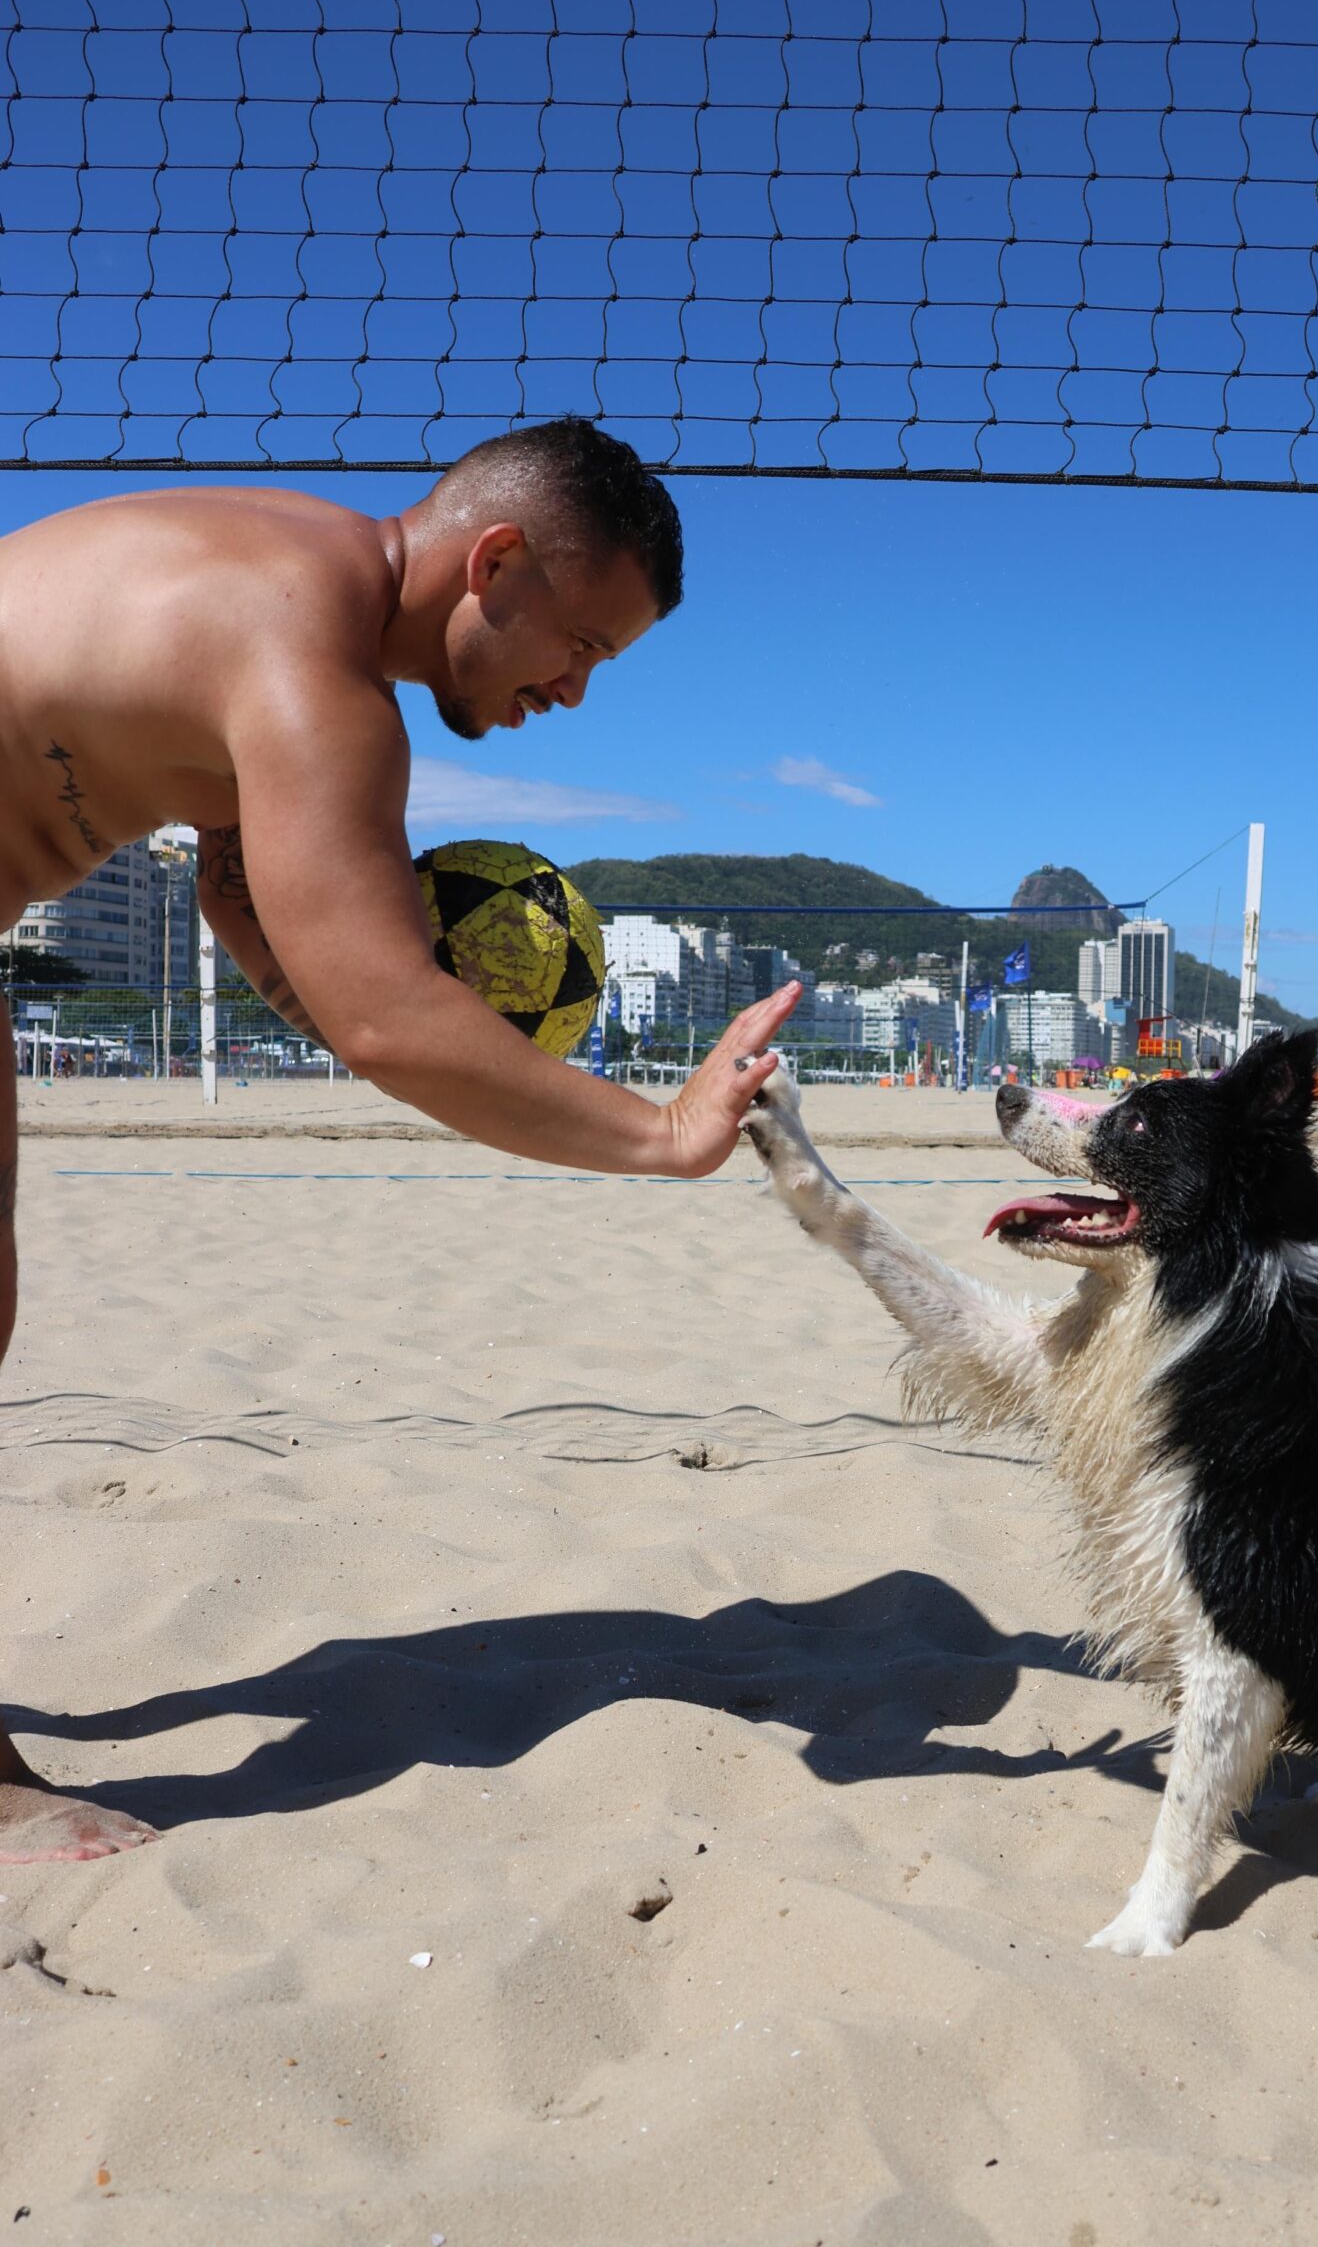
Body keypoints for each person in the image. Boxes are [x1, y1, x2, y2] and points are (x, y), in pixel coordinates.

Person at [0, 417, 798, 1864]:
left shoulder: (284, 575)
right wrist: (666, 1133)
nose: (573, 690)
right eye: (586, 648)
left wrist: (335, 984)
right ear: (495, 561)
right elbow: (386, 1021)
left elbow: (255, 915)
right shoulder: (314, 674)